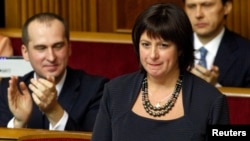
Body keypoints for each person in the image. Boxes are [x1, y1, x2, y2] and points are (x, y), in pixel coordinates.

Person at [91, 3, 229, 141]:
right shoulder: (115, 90)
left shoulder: (211, 101)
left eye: (163, 45)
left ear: (180, 48)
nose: (152, 55)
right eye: (146, 44)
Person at [0, 12, 109, 131]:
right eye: (41, 48)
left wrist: (54, 111)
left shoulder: (97, 89)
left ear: (69, 48)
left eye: (58, 46)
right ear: (25, 52)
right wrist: (19, 123)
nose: (51, 57)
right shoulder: (9, 89)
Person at [183, 0, 250, 87]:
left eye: (206, 5)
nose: (198, 14)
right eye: (191, 6)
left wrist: (215, 88)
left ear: (226, 7)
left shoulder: (246, 53)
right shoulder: (173, 47)